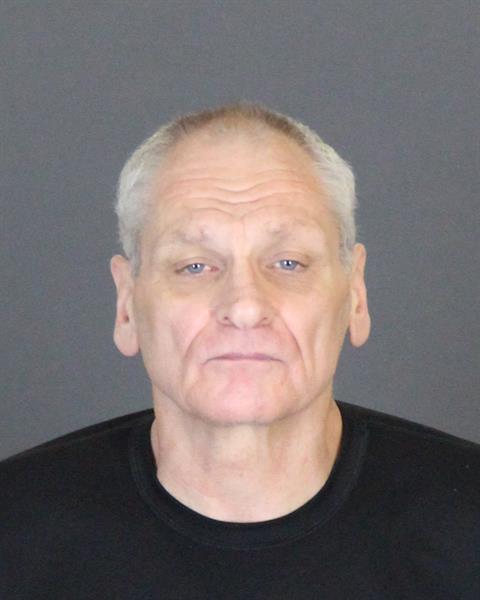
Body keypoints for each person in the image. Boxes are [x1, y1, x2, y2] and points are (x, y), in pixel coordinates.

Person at [1, 103, 479, 599]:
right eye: (194, 266)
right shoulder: (13, 538)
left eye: (288, 262)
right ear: (127, 305)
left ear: (355, 295)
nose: (245, 307)